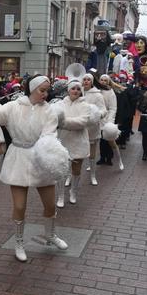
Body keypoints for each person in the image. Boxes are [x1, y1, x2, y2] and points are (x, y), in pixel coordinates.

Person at [0, 75, 69, 262]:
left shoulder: (49, 110)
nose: (45, 94)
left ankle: (50, 235)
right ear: (32, 89)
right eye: (42, 90)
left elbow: (49, 134)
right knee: (19, 205)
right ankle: (18, 242)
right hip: (18, 157)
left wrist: (51, 154)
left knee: (50, 204)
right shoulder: (13, 106)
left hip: (41, 159)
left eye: (47, 90)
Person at [56, 79, 90, 207]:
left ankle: (73, 192)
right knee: (61, 169)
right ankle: (60, 195)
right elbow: (54, 119)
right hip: (63, 141)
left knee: (76, 170)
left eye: (78, 89)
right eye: (73, 88)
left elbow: (83, 122)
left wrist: (63, 122)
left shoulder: (85, 105)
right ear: (68, 90)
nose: (75, 91)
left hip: (79, 141)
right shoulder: (60, 104)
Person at [81, 73, 107, 185]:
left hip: (92, 127)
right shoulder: (77, 91)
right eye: (84, 79)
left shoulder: (98, 95)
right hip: (79, 127)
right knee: (76, 153)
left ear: (92, 82)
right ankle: (70, 176)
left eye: (88, 79)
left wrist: (97, 115)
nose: (86, 81)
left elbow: (103, 110)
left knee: (92, 154)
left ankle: (92, 175)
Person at [97, 74, 118, 166]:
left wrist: (110, 121)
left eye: (105, 80)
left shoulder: (111, 92)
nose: (103, 82)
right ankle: (102, 157)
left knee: (108, 139)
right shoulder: (97, 91)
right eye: (101, 80)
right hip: (98, 119)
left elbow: (113, 108)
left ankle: (109, 158)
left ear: (108, 82)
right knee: (101, 140)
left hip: (107, 119)